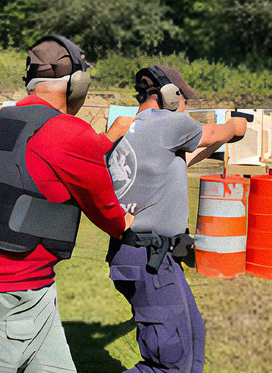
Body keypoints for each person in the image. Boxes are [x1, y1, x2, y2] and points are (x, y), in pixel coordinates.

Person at [0, 35, 132, 373]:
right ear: (77, 83)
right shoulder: (71, 132)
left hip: (13, 292)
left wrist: (108, 137)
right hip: (4, 302)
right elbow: (108, 216)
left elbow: (46, 158)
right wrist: (125, 222)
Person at [106, 65, 247, 373]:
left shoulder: (125, 128)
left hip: (147, 257)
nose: (186, 108)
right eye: (184, 100)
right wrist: (236, 126)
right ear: (170, 95)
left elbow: (177, 163)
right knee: (168, 364)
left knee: (193, 336)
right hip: (149, 258)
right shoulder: (167, 122)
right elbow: (212, 133)